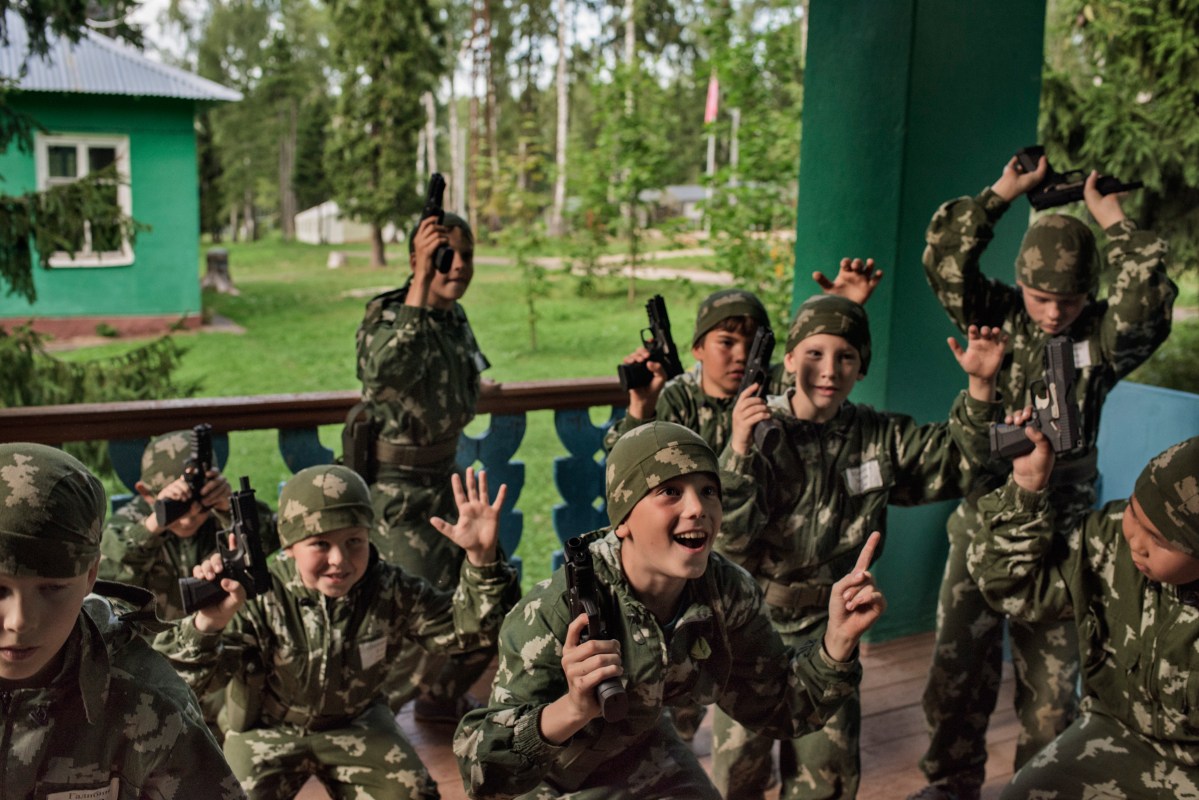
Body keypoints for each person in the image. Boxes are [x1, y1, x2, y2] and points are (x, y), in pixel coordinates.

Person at [908, 155, 1178, 800]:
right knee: (955, 677)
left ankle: (1038, 790)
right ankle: (949, 786)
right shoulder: (993, 314)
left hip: (1064, 531)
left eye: (1070, 300)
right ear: (1019, 285)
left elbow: (1147, 302)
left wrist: (1110, 218)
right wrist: (1005, 190)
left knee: (1054, 697)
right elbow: (943, 257)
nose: (1055, 313)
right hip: (986, 516)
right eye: (1041, 298)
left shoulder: (1102, 336)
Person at [454, 421, 887, 799]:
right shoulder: (555, 611)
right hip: (546, 779)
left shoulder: (726, 593)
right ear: (623, 519)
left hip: (640, 753)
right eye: (670, 492)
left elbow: (777, 705)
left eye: (709, 491)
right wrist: (572, 708)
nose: (697, 508)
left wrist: (838, 641)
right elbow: (480, 767)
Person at [711, 294, 1007, 800]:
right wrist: (737, 450)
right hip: (749, 630)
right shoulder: (753, 427)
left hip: (831, 635)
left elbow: (964, 462)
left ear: (860, 367)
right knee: (737, 776)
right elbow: (725, 539)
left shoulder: (878, 436)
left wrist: (981, 386)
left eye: (846, 357)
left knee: (828, 780)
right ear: (788, 360)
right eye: (815, 353)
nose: (830, 369)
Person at [153, 463, 521, 800]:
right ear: (289, 546)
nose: (339, 560)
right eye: (320, 544)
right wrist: (210, 622)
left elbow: (469, 631)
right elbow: (180, 682)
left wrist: (481, 560)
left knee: (413, 795)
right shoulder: (259, 594)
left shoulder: (387, 587)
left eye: (354, 541)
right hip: (267, 728)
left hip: (356, 721)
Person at [0, 442, 245, 799]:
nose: (20, 621)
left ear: (89, 577)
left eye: (53, 588)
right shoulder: (131, 525)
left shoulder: (145, 700)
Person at [968, 423, 1199, 799]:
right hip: (1115, 733)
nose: (1136, 542)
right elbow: (1009, 588)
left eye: (1159, 540)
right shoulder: (1107, 538)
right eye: (1135, 512)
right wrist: (1026, 489)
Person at [352, 211, 496, 720]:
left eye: (466, 256)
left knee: (489, 591)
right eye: (442, 255)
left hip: (447, 481)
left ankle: (440, 700)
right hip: (398, 492)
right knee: (412, 612)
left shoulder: (454, 318)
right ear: (416, 259)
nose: (457, 266)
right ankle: (365, 717)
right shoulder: (388, 314)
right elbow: (383, 376)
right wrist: (417, 288)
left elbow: (465, 372)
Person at [605, 258, 883, 458]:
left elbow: (822, 381)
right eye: (726, 342)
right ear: (698, 349)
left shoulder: (778, 386)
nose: (741, 355)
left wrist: (841, 311)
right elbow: (626, 465)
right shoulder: (679, 398)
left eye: (753, 345)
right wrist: (641, 407)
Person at [99, 428, 280, 621]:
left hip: (219, 635)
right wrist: (152, 526)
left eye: (200, 503)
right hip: (152, 641)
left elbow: (269, 540)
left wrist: (230, 510)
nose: (190, 515)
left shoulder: (221, 512)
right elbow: (107, 577)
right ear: (146, 494)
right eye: (179, 506)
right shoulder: (130, 521)